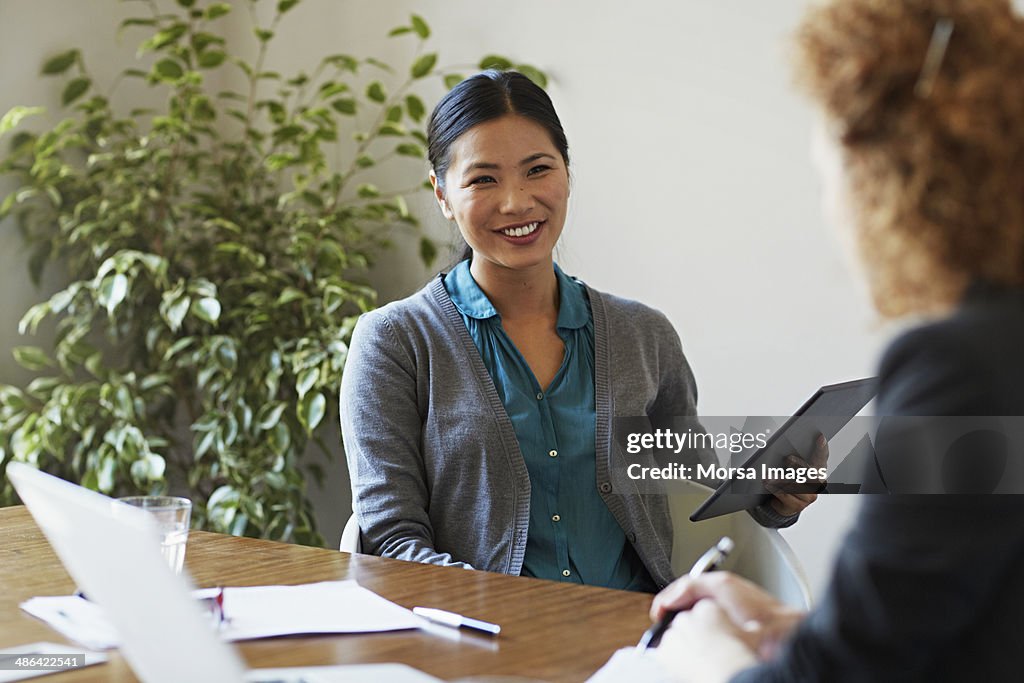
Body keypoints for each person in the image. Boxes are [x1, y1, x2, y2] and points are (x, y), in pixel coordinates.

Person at [650, 0, 1024, 679]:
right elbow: (964, 604)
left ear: (877, 175)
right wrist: (796, 625)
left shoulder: (960, 365)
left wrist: (703, 650)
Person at [339, 70, 819, 593]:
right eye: (483, 179)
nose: (516, 202)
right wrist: (506, 613)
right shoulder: (393, 343)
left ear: (566, 174)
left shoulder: (645, 336)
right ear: (442, 195)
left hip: (637, 639)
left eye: (537, 170)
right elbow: (390, 541)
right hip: (479, 646)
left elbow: (698, 486)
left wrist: (774, 495)